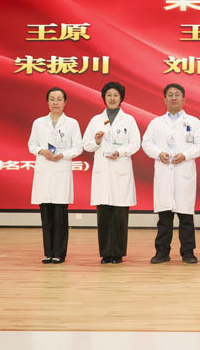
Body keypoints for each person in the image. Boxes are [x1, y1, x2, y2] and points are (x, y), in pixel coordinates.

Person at [142, 83, 200, 265]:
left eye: (177, 94)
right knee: (164, 218)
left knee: (186, 217)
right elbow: (146, 143)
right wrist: (158, 153)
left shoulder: (194, 122)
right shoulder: (156, 123)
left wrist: (185, 155)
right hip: (164, 171)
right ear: (164, 100)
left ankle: (188, 252)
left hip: (183, 172)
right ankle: (162, 252)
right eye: (170, 95)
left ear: (184, 99)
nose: (173, 98)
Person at [83, 81, 141, 264]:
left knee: (119, 215)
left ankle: (118, 253)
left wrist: (120, 152)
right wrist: (96, 140)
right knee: (104, 214)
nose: (112, 98)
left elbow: (135, 144)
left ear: (121, 98)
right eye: (109, 95)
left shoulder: (129, 120)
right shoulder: (96, 120)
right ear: (104, 98)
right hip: (103, 171)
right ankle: (106, 253)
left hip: (120, 169)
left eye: (116, 95)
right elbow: (86, 145)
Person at [28, 87, 83, 264]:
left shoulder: (72, 123)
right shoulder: (38, 123)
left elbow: (78, 148)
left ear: (65, 102)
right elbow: (31, 144)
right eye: (52, 99)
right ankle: (48, 253)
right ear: (47, 102)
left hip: (61, 171)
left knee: (60, 216)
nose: (55, 102)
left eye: (59, 99)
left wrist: (63, 154)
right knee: (46, 216)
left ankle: (59, 253)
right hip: (44, 171)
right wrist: (40, 150)